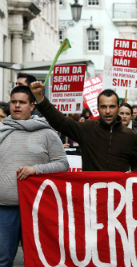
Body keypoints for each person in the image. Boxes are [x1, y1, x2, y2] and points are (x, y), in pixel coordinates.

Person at [0, 86, 68, 266]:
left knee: (37, 259)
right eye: (13, 102)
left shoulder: (46, 133)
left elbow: (63, 164)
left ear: (31, 106)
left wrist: (35, 169)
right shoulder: (1, 130)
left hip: (36, 208)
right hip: (4, 208)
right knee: (3, 259)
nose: (16, 106)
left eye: (22, 102)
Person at [30, 81, 137, 172]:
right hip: (91, 196)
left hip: (118, 197)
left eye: (112, 106)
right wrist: (40, 98)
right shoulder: (87, 128)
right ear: (98, 108)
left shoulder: (129, 135)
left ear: (118, 107)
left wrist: (133, 174)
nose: (108, 111)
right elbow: (60, 122)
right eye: (103, 107)